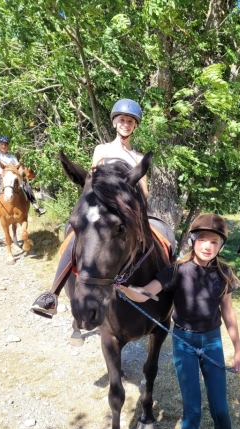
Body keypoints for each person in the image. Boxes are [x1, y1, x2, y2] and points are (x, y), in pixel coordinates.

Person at [116, 213, 240, 429]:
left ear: (221, 246)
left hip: (212, 342)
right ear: (193, 240)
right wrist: (125, 288)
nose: (208, 246)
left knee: (220, 407)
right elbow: (146, 292)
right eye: (204, 240)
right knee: (192, 410)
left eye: (215, 242)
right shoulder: (176, 270)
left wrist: (238, 348)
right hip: (184, 343)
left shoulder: (224, 274)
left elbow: (228, 313)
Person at [30, 98, 147, 318]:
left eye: (130, 121)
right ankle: (51, 295)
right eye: (122, 119)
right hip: (102, 207)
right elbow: (92, 181)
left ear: (135, 126)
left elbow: (145, 190)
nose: (126, 124)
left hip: (128, 210)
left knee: (160, 236)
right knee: (75, 237)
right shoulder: (102, 149)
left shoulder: (138, 157)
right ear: (114, 123)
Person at [0, 136, 46, 219]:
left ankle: (36, 206)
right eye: (2, 144)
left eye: (5, 145)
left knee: (26, 186)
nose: (4, 146)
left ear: (7, 146)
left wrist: (20, 174)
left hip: (12, 177)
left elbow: (18, 167)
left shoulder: (12, 156)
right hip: (1, 177)